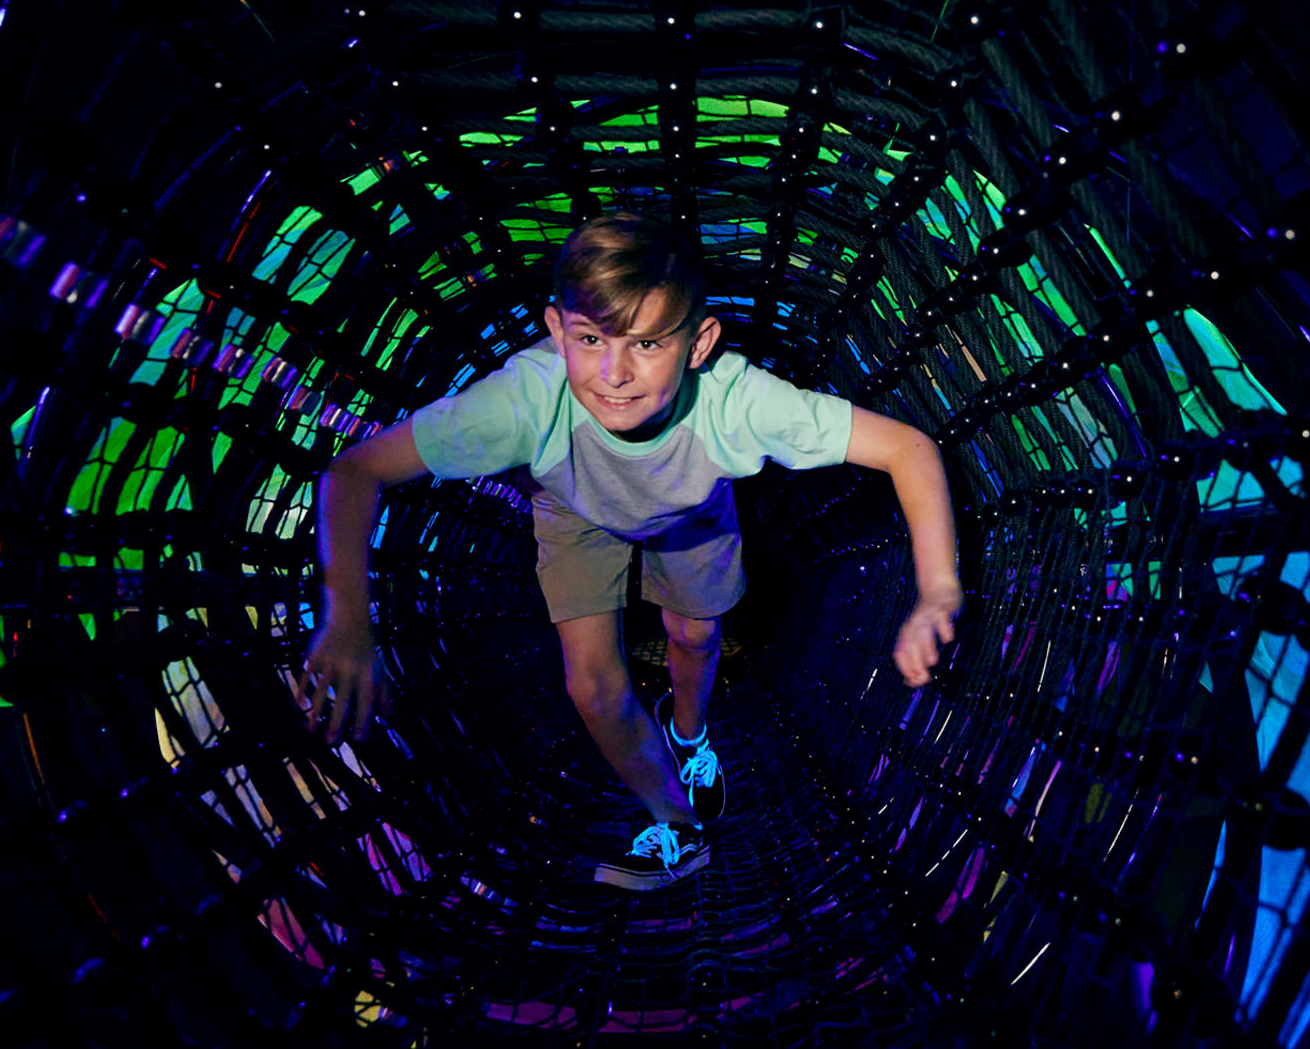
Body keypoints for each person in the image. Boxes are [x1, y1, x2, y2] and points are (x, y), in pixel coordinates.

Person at [300, 211, 964, 890]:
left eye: (647, 343)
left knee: (695, 634)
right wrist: (347, 615)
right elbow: (356, 471)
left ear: (699, 344)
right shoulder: (524, 402)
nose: (613, 373)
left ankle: (689, 732)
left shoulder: (735, 403)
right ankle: (676, 822)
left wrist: (938, 589)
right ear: (556, 330)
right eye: (590, 339)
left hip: (691, 511)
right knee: (591, 685)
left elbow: (906, 447)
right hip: (573, 507)